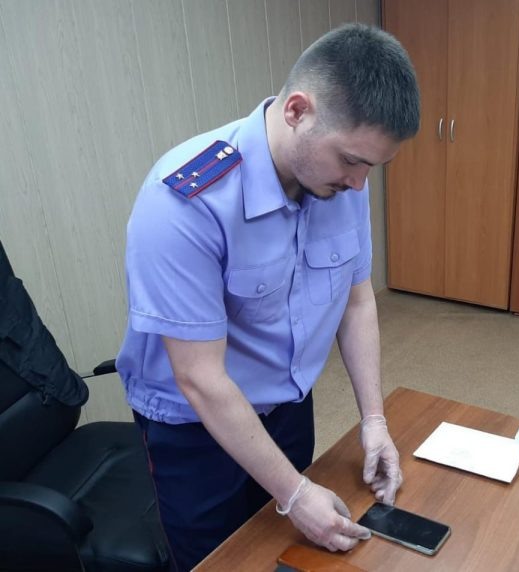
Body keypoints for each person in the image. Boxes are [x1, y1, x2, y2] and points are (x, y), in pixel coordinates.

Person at [115, 23, 420, 571]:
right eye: (351, 160)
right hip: (195, 431)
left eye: (373, 167)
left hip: (288, 406)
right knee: (221, 561)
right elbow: (200, 378)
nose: (359, 184)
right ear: (298, 111)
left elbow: (356, 303)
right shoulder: (184, 203)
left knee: (284, 555)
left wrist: (373, 420)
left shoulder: (342, 181)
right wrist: (295, 493)